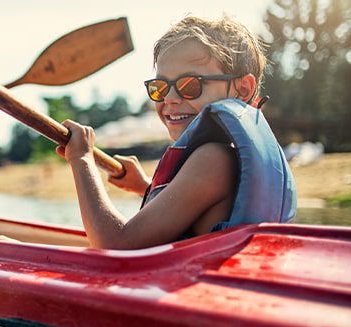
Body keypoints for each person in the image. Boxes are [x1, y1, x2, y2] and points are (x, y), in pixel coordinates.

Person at [57, 16, 296, 250]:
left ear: (243, 88)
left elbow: (115, 243)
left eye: (190, 85)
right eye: (159, 88)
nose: (170, 99)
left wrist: (82, 159)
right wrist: (146, 187)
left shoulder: (213, 159)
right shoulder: (222, 159)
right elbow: (197, 209)